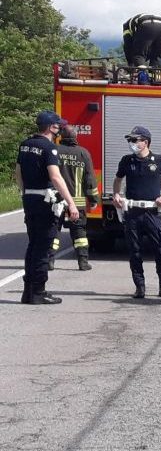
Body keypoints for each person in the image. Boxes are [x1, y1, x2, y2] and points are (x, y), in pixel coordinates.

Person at [16, 111, 79, 305]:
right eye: (58, 125)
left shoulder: (25, 144)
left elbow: (18, 173)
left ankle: (28, 292)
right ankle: (38, 292)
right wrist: (71, 203)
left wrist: (25, 193)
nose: (60, 129)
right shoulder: (49, 147)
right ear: (52, 127)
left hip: (30, 199)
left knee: (33, 245)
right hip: (45, 202)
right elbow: (55, 177)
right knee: (43, 248)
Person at [112, 125, 161, 299]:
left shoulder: (159, 160)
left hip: (152, 212)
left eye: (135, 140)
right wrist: (116, 194)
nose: (131, 143)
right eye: (130, 140)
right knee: (134, 251)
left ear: (146, 142)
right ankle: (140, 287)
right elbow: (118, 179)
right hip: (132, 212)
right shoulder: (127, 161)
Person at [49, 125, 99, 271]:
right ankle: (83, 262)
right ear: (76, 136)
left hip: (56, 200)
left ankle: (49, 261)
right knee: (79, 233)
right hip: (77, 202)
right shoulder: (83, 153)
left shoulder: (54, 150)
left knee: (53, 231)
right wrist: (93, 199)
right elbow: (90, 179)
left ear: (61, 136)